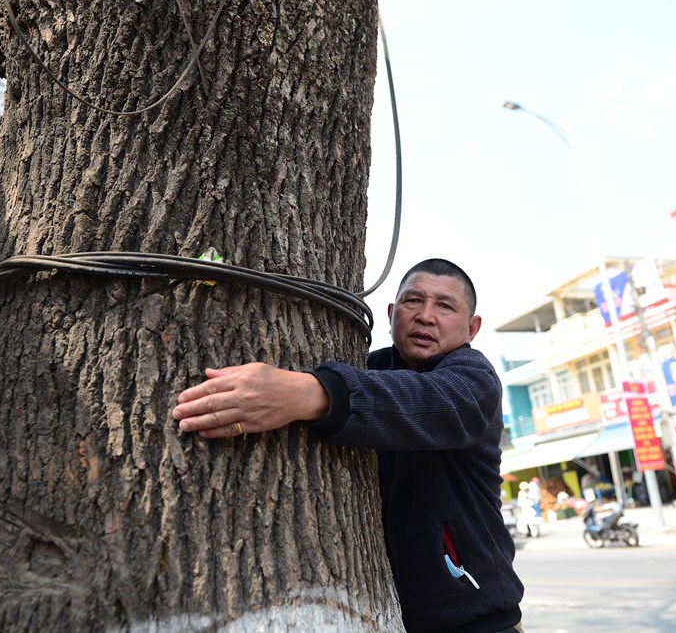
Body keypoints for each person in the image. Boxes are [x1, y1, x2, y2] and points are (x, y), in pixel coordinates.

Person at [174, 259, 525, 632]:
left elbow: (431, 403)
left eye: (445, 306)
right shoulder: (369, 369)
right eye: (412, 301)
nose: (425, 316)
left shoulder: (475, 379)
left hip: (480, 620)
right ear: (391, 314)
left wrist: (308, 393)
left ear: (472, 328)